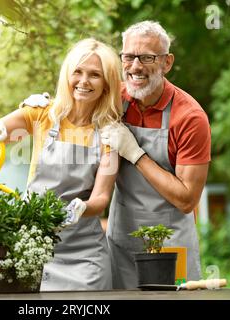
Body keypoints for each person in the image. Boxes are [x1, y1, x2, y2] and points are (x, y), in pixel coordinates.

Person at [22, 21, 211, 288]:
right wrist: (39, 104)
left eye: (147, 57)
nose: (136, 67)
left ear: (167, 62)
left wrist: (136, 154)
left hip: (171, 244)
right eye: (129, 57)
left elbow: (187, 200)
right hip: (122, 238)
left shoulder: (189, 118)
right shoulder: (115, 98)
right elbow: (73, 97)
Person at [0, 38, 123, 291]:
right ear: (67, 75)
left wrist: (80, 207)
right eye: (78, 72)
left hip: (85, 257)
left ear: (107, 83)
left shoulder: (110, 134)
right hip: (32, 247)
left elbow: (101, 198)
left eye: (95, 75)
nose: (84, 81)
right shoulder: (41, 113)